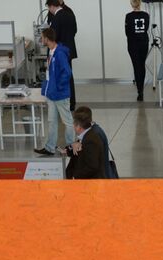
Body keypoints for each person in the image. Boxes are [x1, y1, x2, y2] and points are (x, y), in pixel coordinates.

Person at [34, 28, 75, 158]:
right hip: (51, 94)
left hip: (60, 94)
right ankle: (49, 147)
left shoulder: (60, 54)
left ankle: (70, 146)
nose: (41, 39)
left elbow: (67, 72)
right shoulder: (51, 52)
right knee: (52, 121)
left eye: (42, 37)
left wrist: (58, 86)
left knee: (67, 121)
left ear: (47, 38)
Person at [46, 0, 79, 110]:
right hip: (69, 49)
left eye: (48, 7)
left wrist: (49, 53)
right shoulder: (69, 14)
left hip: (59, 51)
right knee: (69, 76)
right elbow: (75, 30)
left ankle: (63, 102)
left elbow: (53, 37)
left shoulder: (56, 17)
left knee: (59, 76)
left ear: (51, 6)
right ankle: (71, 102)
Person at [64, 107, 116, 179]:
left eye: (74, 124)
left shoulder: (91, 139)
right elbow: (75, 150)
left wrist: (75, 177)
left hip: (89, 184)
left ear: (79, 126)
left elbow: (92, 167)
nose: (73, 126)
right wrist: (71, 146)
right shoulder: (86, 133)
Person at [124, 0, 151, 101]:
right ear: (140, 3)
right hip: (144, 43)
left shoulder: (128, 16)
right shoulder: (146, 15)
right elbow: (146, 28)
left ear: (131, 4)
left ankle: (139, 91)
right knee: (142, 65)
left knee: (136, 66)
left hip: (133, 44)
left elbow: (127, 32)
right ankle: (141, 89)